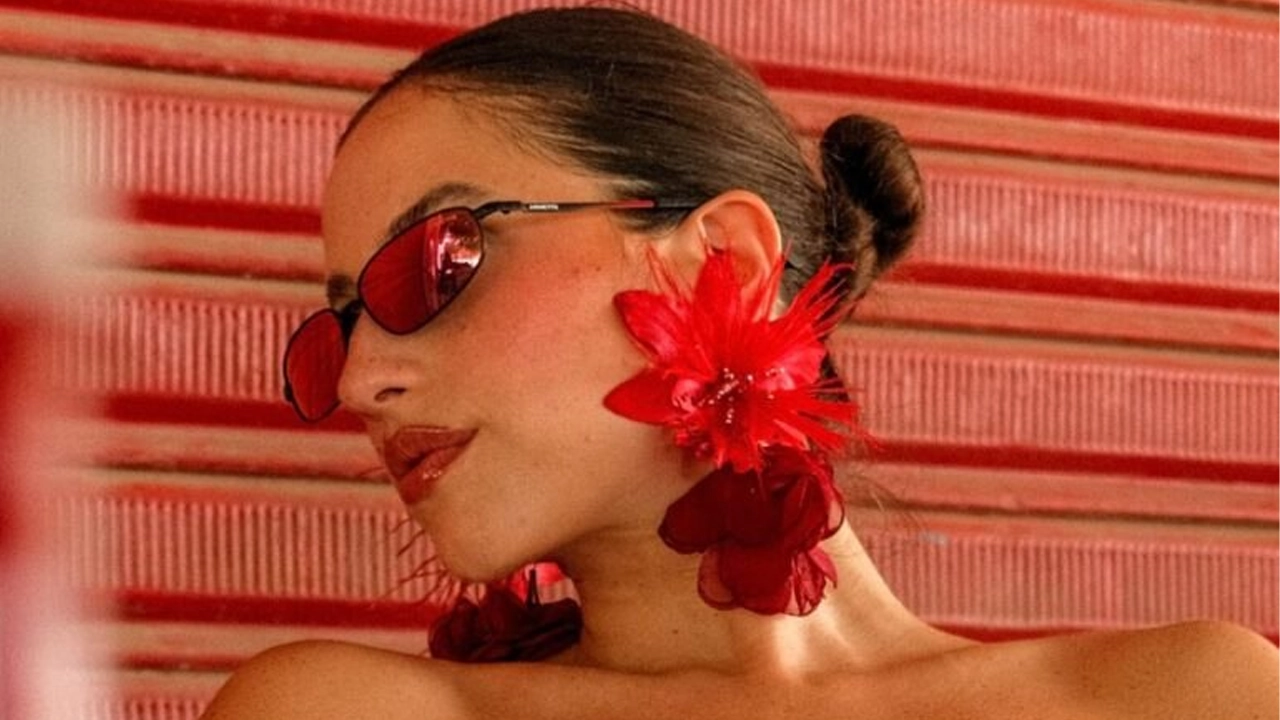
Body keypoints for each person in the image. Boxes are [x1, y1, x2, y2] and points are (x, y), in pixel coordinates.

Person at [202, 7, 1277, 719]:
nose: (359, 384)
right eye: (339, 325)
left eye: (436, 265)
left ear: (722, 258)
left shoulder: (1196, 696)